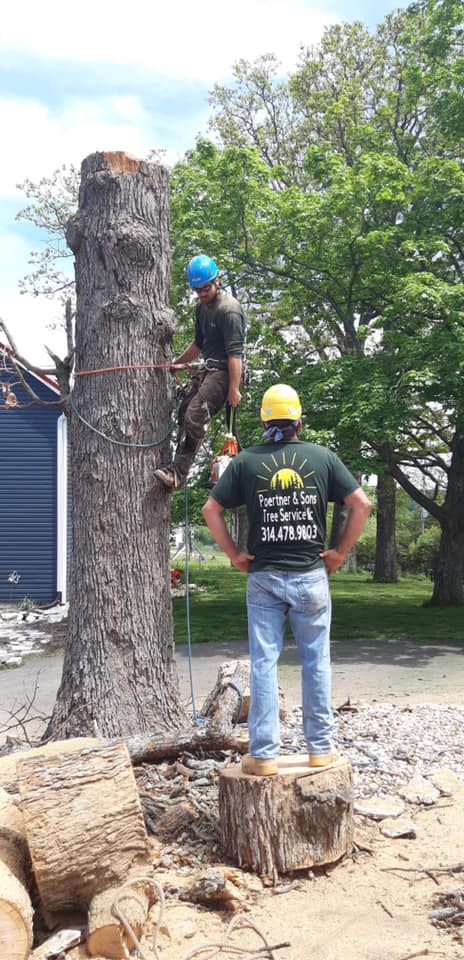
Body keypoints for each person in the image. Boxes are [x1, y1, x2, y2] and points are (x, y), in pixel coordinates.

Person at [202, 384, 371, 777]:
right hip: (311, 576)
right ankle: (320, 750)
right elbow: (360, 503)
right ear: (299, 421)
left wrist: (233, 554)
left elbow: (212, 509)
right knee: (316, 661)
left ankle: (262, 755)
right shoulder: (323, 458)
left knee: (263, 663)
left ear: (264, 421)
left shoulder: (245, 462)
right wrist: (339, 552)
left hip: (263, 578)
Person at [154, 254, 246, 491]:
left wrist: (234, 389)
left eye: (206, 288)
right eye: (197, 290)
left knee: (195, 415)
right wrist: (176, 363)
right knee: (184, 409)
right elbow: (198, 344)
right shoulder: (202, 309)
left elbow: (235, 355)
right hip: (209, 369)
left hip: (226, 372)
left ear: (217, 280)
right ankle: (174, 468)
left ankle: (177, 474)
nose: (202, 293)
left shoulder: (229, 311)